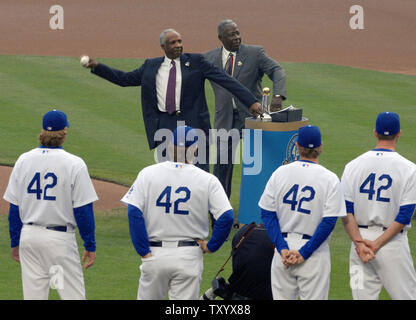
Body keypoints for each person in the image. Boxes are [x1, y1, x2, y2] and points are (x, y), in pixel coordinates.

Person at [83, 28, 263, 172]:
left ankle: (209, 214)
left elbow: (227, 81)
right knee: (167, 172)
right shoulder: (151, 66)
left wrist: (251, 101)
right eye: (173, 42)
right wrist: (98, 67)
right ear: (163, 46)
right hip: (164, 125)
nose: (178, 45)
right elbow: (124, 79)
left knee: (199, 173)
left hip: (194, 125)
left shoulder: (196, 62)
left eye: (180, 41)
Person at [121, 125, 234, 300]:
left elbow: (134, 212)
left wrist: (144, 251)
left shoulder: (148, 174)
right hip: (188, 257)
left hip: (155, 254)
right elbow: (226, 217)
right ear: (195, 149)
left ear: (169, 147)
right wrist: (211, 246)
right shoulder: (207, 180)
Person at [3, 109, 98, 300]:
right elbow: (83, 210)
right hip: (58, 242)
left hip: (29, 238)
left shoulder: (24, 160)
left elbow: (14, 208)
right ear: (64, 133)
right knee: (72, 296)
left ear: (42, 132)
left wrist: (15, 241)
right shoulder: (74, 164)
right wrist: (90, 244)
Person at [258, 125, 346, 300]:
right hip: (314, 253)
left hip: (283, 252)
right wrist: (304, 252)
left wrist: (282, 249)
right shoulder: (330, 179)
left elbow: (267, 214)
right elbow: (328, 223)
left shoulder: (280, 173)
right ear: (320, 147)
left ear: (297, 146)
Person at [204, 19, 287, 197]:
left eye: (238, 33)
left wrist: (278, 95)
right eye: (231, 35)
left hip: (253, 119)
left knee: (258, 163)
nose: (237, 37)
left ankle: (260, 206)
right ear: (220, 38)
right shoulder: (209, 58)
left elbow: (277, 70)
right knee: (221, 165)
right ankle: (220, 209)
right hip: (225, 119)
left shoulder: (255, 53)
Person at [341, 111, 416, 300]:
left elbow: (346, 211)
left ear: (375, 132)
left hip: (359, 244)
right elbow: (404, 215)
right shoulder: (409, 169)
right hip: (392, 244)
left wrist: (359, 243)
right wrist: (376, 244)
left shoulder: (353, 165)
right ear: (399, 133)